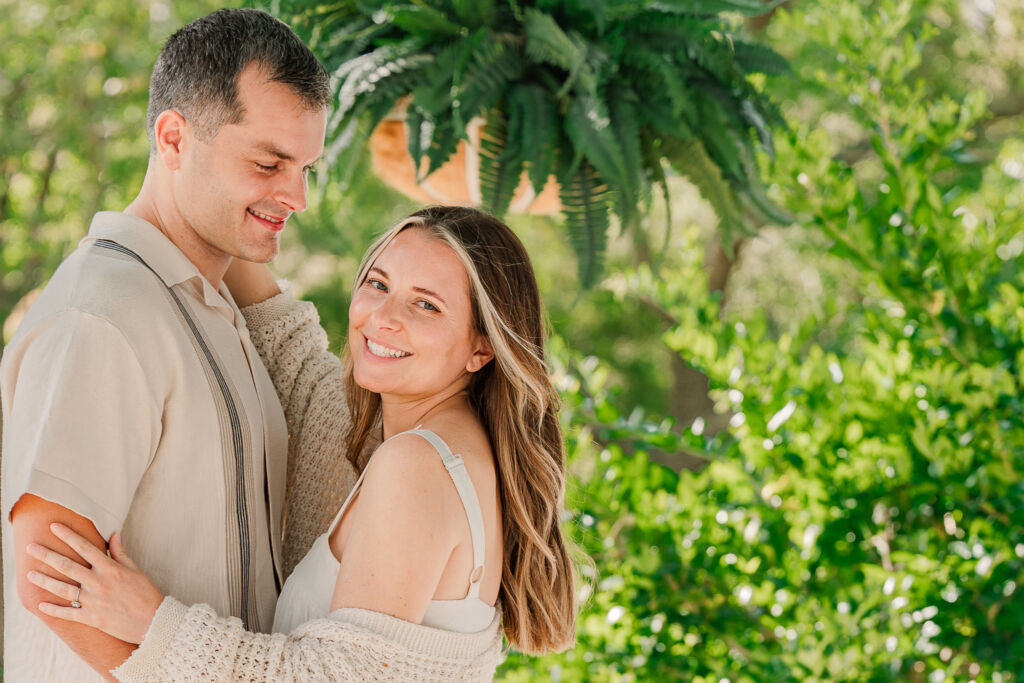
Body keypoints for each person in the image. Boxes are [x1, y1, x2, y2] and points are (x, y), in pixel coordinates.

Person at [24, 206, 579, 680]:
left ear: (481, 348)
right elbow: (300, 369)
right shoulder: (441, 442)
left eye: (426, 305)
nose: (382, 318)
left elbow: (330, 676)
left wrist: (153, 624)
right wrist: (201, 196)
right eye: (378, 284)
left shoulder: (416, 465)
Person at [0, 9, 345, 680]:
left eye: (306, 166)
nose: (296, 195)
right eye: (268, 162)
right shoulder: (104, 316)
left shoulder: (206, 301)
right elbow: (50, 581)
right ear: (173, 137)